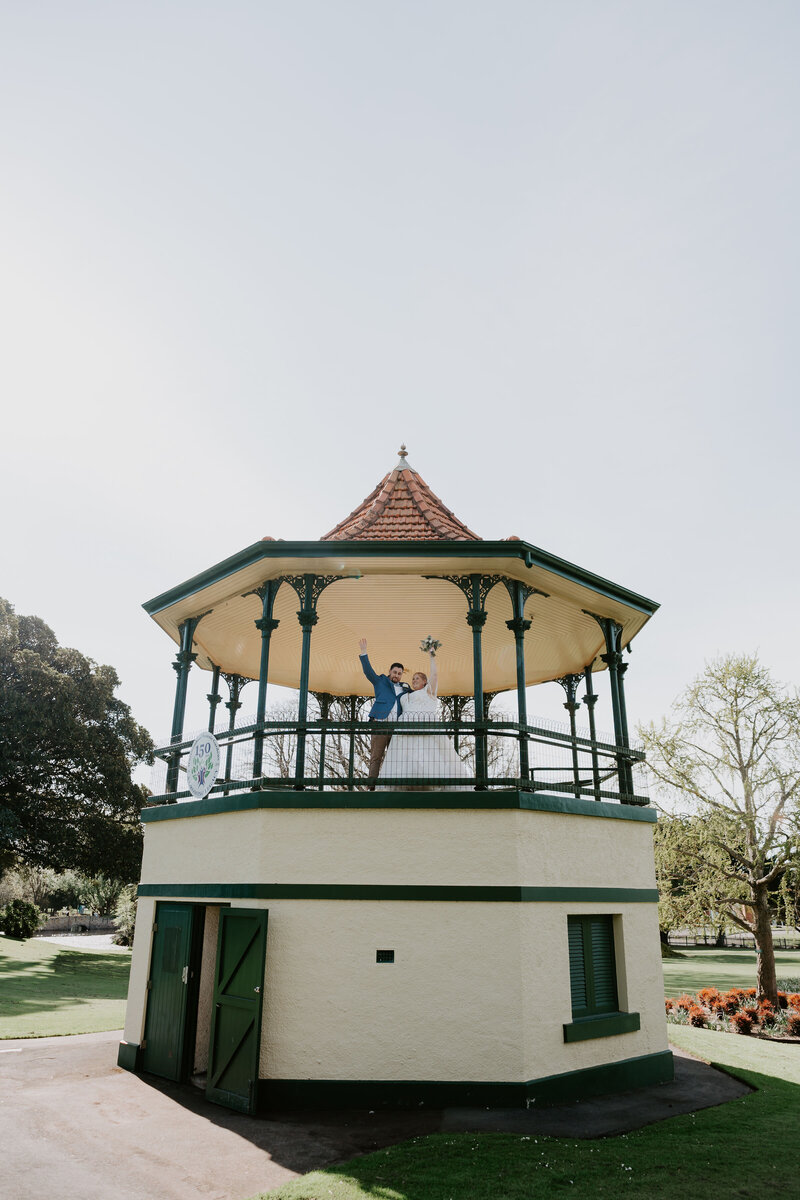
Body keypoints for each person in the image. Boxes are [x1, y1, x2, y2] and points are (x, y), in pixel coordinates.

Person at [378, 649, 468, 790]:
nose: (414, 681)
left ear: (425, 681)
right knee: (407, 757)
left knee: (428, 754)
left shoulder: (429, 692)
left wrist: (432, 657)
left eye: (417, 678)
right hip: (405, 730)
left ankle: (431, 782)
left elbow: (435, 675)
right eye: (413, 679)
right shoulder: (406, 694)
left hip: (425, 726)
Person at [358, 638, 412, 788]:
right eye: (395, 672)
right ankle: (372, 786)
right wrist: (364, 653)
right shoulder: (380, 681)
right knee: (376, 757)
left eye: (400, 673)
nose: (397, 675)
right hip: (380, 724)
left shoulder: (405, 688)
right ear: (390, 671)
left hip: (396, 728)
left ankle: (393, 786)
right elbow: (368, 672)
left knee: (395, 758)